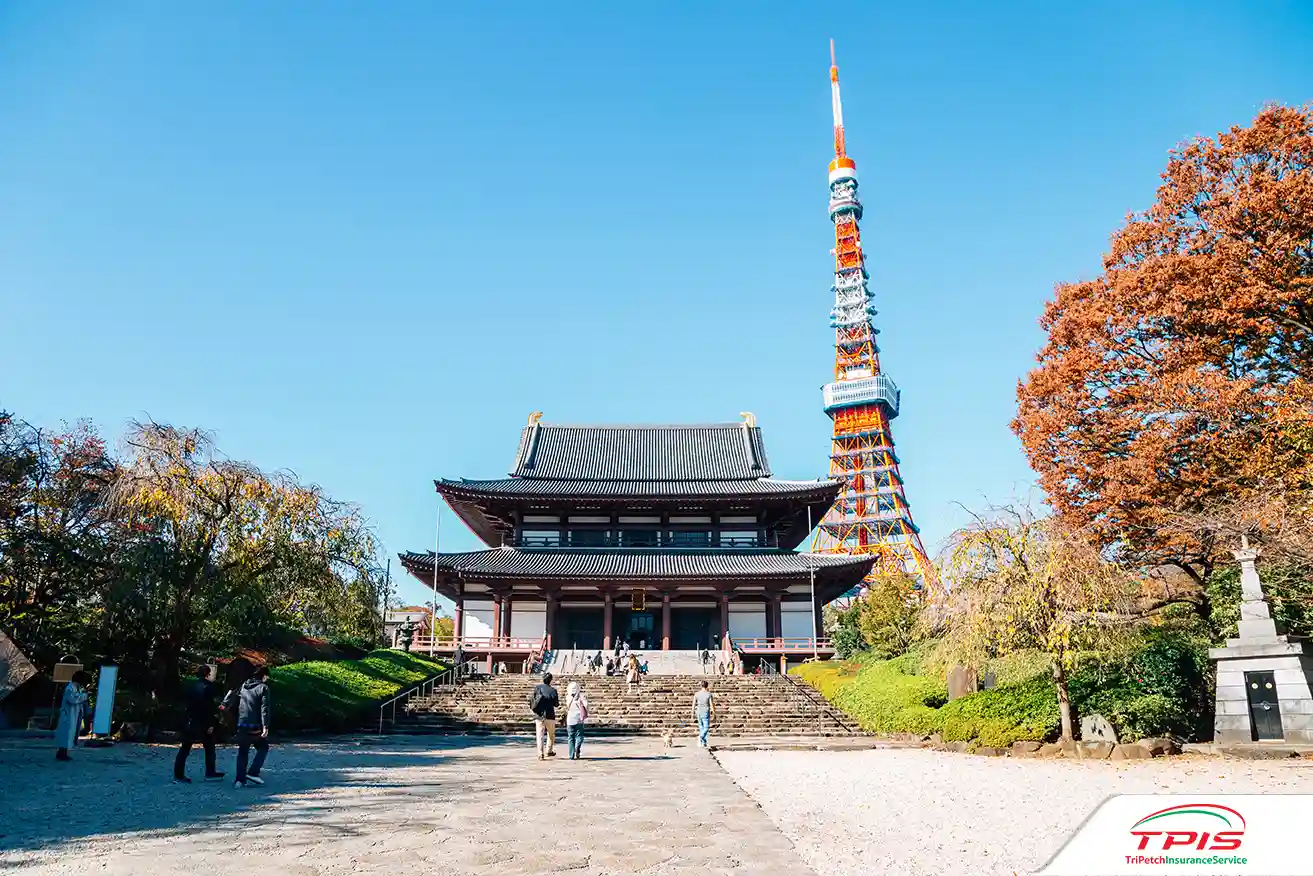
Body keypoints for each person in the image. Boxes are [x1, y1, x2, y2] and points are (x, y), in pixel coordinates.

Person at [221, 665, 272, 788]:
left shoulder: (244, 686)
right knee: (263, 747)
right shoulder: (263, 688)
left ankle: (239, 780)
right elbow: (264, 708)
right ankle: (253, 772)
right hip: (255, 726)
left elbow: (233, 695)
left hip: (242, 723)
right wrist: (265, 726)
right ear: (264, 675)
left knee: (242, 752)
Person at [174, 666, 225, 783]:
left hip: (190, 720)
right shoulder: (209, 687)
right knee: (210, 747)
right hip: (203, 721)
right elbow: (209, 707)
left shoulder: (191, 686)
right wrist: (211, 724)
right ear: (208, 674)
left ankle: (178, 774)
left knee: (185, 748)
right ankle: (210, 772)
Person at [54, 671, 91, 761]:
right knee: (66, 734)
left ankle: (63, 752)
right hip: (68, 715)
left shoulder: (76, 687)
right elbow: (73, 699)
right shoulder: (70, 688)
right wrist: (85, 696)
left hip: (73, 714)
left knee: (69, 734)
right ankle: (61, 753)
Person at [529, 671, 560, 760]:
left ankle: (540, 753)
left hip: (539, 715)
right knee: (551, 734)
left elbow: (533, 699)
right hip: (550, 715)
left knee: (540, 735)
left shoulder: (538, 688)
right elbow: (556, 704)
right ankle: (549, 751)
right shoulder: (553, 690)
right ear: (550, 680)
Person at [564, 680, 590, 760]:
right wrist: (586, 712)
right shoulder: (581, 696)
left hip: (570, 719)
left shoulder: (568, 697)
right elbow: (586, 705)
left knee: (570, 737)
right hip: (579, 718)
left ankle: (571, 755)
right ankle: (577, 747)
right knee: (579, 736)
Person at [692, 680, 714, 748]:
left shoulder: (696, 694)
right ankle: (700, 737)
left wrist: (692, 713)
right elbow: (711, 704)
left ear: (701, 686)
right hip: (705, 711)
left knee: (701, 727)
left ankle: (703, 743)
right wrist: (714, 713)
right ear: (707, 686)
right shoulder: (709, 694)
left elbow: (693, 704)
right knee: (706, 727)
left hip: (698, 711)